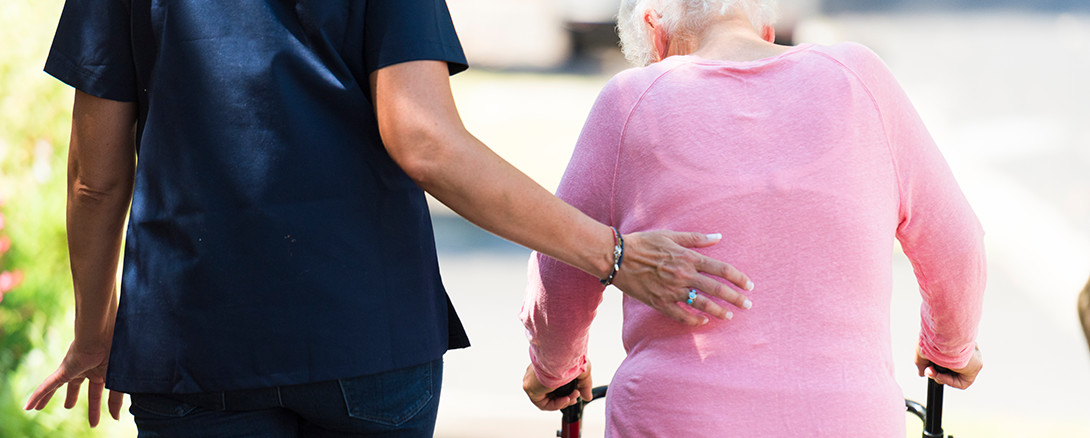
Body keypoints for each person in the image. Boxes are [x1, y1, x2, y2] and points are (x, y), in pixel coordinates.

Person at [22, 0, 757, 436]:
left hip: (193, 342)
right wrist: (618, 256)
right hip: (366, 338)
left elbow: (96, 176)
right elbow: (426, 140)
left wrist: (95, 332)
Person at [520, 0, 986, 435]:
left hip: (675, 419)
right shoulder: (861, 78)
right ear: (764, 28)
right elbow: (956, 245)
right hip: (847, 419)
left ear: (654, 33)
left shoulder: (630, 101)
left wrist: (555, 370)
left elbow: (559, 274)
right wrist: (948, 349)